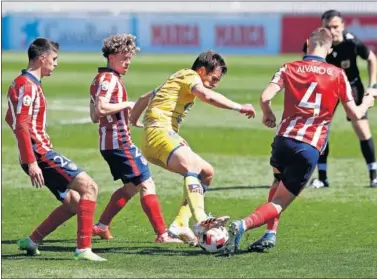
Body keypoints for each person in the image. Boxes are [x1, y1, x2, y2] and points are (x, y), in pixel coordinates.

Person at [223, 27, 377, 255]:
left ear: (307, 42)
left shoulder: (288, 67)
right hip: (308, 147)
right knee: (280, 202)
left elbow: (265, 97)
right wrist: (368, 101)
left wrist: (268, 114)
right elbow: (354, 114)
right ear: (329, 47)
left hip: (282, 142)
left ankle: (270, 234)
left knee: (277, 184)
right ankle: (242, 225)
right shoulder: (336, 74)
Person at [130, 50, 256, 244]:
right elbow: (207, 96)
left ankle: (180, 223)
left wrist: (134, 121)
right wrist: (239, 107)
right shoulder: (189, 76)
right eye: (214, 78)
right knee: (192, 166)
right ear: (202, 70)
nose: (215, 84)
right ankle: (202, 218)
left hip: (158, 136)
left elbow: (142, 98)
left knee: (207, 172)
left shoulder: (175, 81)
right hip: (159, 133)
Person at [5, 38, 106, 261]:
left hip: (35, 151)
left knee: (73, 203)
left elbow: (9, 118)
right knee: (90, 187)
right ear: (42, 58)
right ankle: (83, 249)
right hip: (40, 153)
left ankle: (32, 241)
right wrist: (32, 160)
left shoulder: (22, 83)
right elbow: (21, 123)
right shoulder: (27, 86)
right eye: (54, 59)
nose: (56, 63)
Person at [89, 34, 183, 244]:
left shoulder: (99, 79)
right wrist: (127, 105)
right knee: (147, 184)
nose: (128, 61)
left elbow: (95, 117)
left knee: (131, 187)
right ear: (112, 56)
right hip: (119, 143)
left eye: (130, 57)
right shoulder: (109, 80)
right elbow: (101, 109)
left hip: (109, 143)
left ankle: (101, 226)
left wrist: (128, 119)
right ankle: (162, 234)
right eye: (124, 57)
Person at [304, 10, 377, 188]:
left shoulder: (352, 42)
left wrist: (373, 85)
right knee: (321, 129)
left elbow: (371, 59)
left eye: (335, 26)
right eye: (327, 27)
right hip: (326, 89)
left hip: (351, 86)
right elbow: (307, 66)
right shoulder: (316, 43)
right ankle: (322, 177)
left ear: (343, 26)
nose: (332, 30)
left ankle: (374, 176)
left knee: (361, 127)